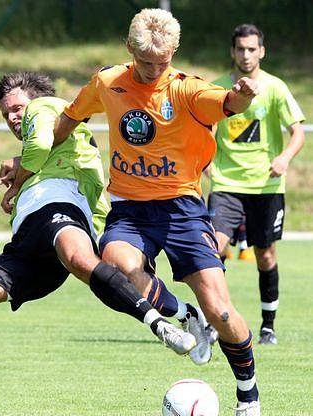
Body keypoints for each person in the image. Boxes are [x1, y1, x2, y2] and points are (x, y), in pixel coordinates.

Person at [0, 71, 201, 380]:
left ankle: (160, 325)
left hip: (60, 208)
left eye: (17, 108)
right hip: (30, 244)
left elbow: (42, 143)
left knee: (80, 260)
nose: (13, 117)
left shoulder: (46, 107)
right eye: (6, 114)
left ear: (35, 102)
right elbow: (44, 147)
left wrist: (16, 183)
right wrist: (18, 174)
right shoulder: (40, 143)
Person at [48, 8, 261, 415]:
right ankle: (186, 315)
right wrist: (30, 162)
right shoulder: (108, 81)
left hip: (182, 208)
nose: (152, 71)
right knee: (115, 263)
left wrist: (241, 97)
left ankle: (248, 394)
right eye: (145, 62)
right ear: (129, 49)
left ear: (174, 53)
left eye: (161, 63)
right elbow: (70, 118)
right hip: (130, 208)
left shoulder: (186, 90)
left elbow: (226, 102)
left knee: (222, 310)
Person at [208, 24, 305, 346]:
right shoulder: (219, 88)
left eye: (252, 49)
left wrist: (284, 159)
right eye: (240, 49)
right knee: (214, 248)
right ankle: (216, 318)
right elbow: (202, 131)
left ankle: (268, 326)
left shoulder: (275, 88)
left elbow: (298, 132)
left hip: (266, 187)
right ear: (232, 52)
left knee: (265, 255)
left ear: (261, 51)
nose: (246, 55)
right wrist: (206, 163)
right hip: (226, 184)